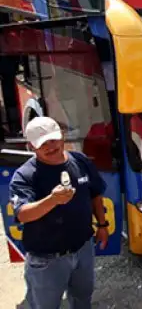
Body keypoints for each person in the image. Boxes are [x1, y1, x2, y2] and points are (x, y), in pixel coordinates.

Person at [9, 117, 108, 309]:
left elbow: (95, 194)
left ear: (62, 136)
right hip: (46, 260)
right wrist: (52, 200)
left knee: (83, 300)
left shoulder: (80, 161)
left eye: (53, 140)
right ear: (31, 146)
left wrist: (102, 225)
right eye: (42, 143)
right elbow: (22, 214)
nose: (50, 146)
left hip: (83, 249)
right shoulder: (25, 175)